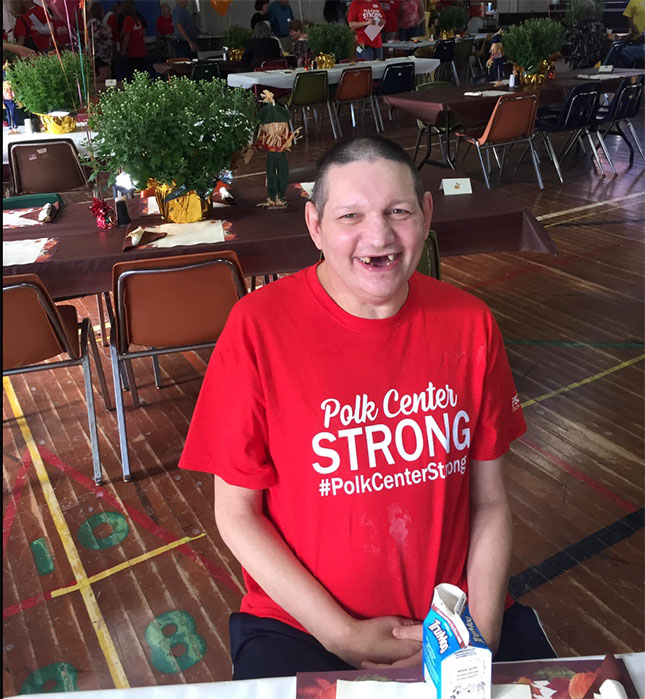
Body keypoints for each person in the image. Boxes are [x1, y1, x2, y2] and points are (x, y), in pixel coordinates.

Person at [178, 136, 556, 680]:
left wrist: (478, 635)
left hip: (455, 618)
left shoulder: (470, 322)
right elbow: (238, 514)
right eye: (350, 215)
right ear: (314, 225)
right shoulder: (257, 327)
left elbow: (490, 502)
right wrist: (340, 632)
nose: (378, 236)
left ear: (425, 215)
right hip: (300, 625)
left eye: (398, 211)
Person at [566, 0, 606, 69]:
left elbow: (569, 41)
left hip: (579, 61)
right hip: (596, 61)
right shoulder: (600, 26)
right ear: (594, 12)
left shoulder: (577, 26)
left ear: (583, 12)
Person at [121, 0, 146, 80]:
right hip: (141, 48)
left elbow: (127, 36)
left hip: (133, 49)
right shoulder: (137, 19)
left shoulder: (127, 20)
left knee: (132, 73)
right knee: (141, 71)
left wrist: (124, 49)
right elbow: (143, 32)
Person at [88, 1, 113, 81]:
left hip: (106, 55)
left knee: (109, 76)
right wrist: (108, 32)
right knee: (104, 76)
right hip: (100, 54)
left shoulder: (99, 23)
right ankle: (91, 85)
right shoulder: (93, 23)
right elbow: (100, 35)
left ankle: (108, 91)